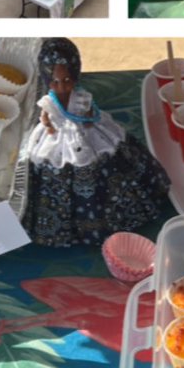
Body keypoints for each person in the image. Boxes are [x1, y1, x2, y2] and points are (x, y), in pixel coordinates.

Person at [23, 38, 170, 247]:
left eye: (66, 80)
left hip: (88, 133)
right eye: (56, 81)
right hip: (58, 139)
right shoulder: (49, 101)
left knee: (110, 157)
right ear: (47, 79)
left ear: (74, 76)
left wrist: (90, 118)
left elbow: (91, 111)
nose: (62, 86)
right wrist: (48, 128)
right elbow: (45, 118)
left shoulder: (80, 97)